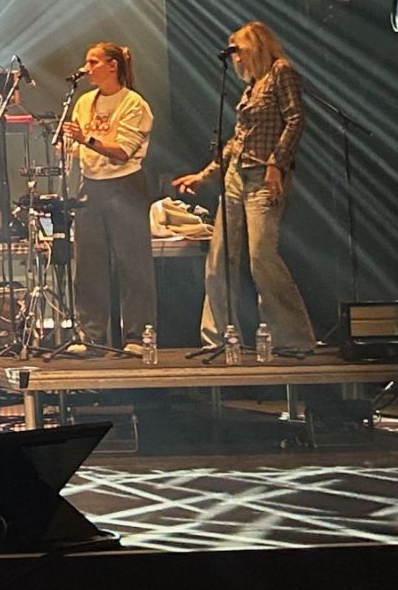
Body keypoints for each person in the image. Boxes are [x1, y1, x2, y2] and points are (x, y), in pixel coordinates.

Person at [176, 21, 319, 352]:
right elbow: (236, 142)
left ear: (256, 46)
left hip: (262, 177)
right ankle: (218, 337)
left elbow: (295, 119)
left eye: (238, 50)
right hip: (236, 176)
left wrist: (276, 164)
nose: (235, 58)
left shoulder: (281, 72)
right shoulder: (251, 87)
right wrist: (204, 175)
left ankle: (293, 337)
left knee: (260, 256)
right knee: (218, 258)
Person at [60, 42, 156, 355]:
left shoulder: (133, 103)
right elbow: (77, 147)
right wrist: (66, 145)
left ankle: (138, 336)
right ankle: (91, 336)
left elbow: (123, 151)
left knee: (132, 264)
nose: (86, 68)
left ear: (112, 65)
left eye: (93, 62)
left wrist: (85, 139)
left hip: (124, 185)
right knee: (88, 264)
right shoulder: (84, 101)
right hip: (90, 185)